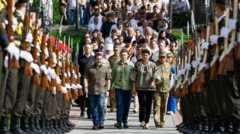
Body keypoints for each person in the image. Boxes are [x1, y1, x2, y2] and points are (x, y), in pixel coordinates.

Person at [84, 50, 111, 130]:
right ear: (95, 59)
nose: (98, 60)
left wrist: (108, 90)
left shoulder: (105, 68)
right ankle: (95, 123)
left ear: (102, 59)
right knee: (92, 108)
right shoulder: (90, 68)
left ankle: (101, 122)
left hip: (102, 91)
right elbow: (85, 77)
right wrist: (85, 87)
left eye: (100, 59)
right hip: (91, 90)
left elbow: (108, 79)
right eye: (97, 59)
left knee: (101, 106)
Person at [131, 48, 156, 129]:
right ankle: (142, 120)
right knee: (142, 104)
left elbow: (156, 75)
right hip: (140, 87)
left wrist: (153, 81)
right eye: (144, 55)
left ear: (149, 56)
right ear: (141, 55)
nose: (145, 56)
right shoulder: (138, 64)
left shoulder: (153, 65)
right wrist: (134, 88)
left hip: (150, 88)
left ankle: (147, 121)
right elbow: (134, 77)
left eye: (146, 55)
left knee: (149, 105)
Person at [111, 48, 134, 129]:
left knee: (127, 106)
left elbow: (133, 78)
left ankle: (125, 121)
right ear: (120, 55)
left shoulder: (131, 65)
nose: (123, 56)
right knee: (120, 105)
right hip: (118, 87)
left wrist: (134, 88)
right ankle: (119, 122)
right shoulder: (116, 64)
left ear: (127, 55)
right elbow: (112, 77)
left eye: (125, 55)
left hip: (128, 88)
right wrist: (111, 88)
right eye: (122, 55)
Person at [153, 51, 170, 128]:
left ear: (166, 58)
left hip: (166, 88)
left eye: (163, 57)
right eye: (161, 57)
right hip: (157, 89)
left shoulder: (168, 65)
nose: (162, 58)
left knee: (164, 106)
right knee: (157, 105)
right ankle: (157, 121)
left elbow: (171, 76)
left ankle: (162, 121)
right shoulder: (155, 65)